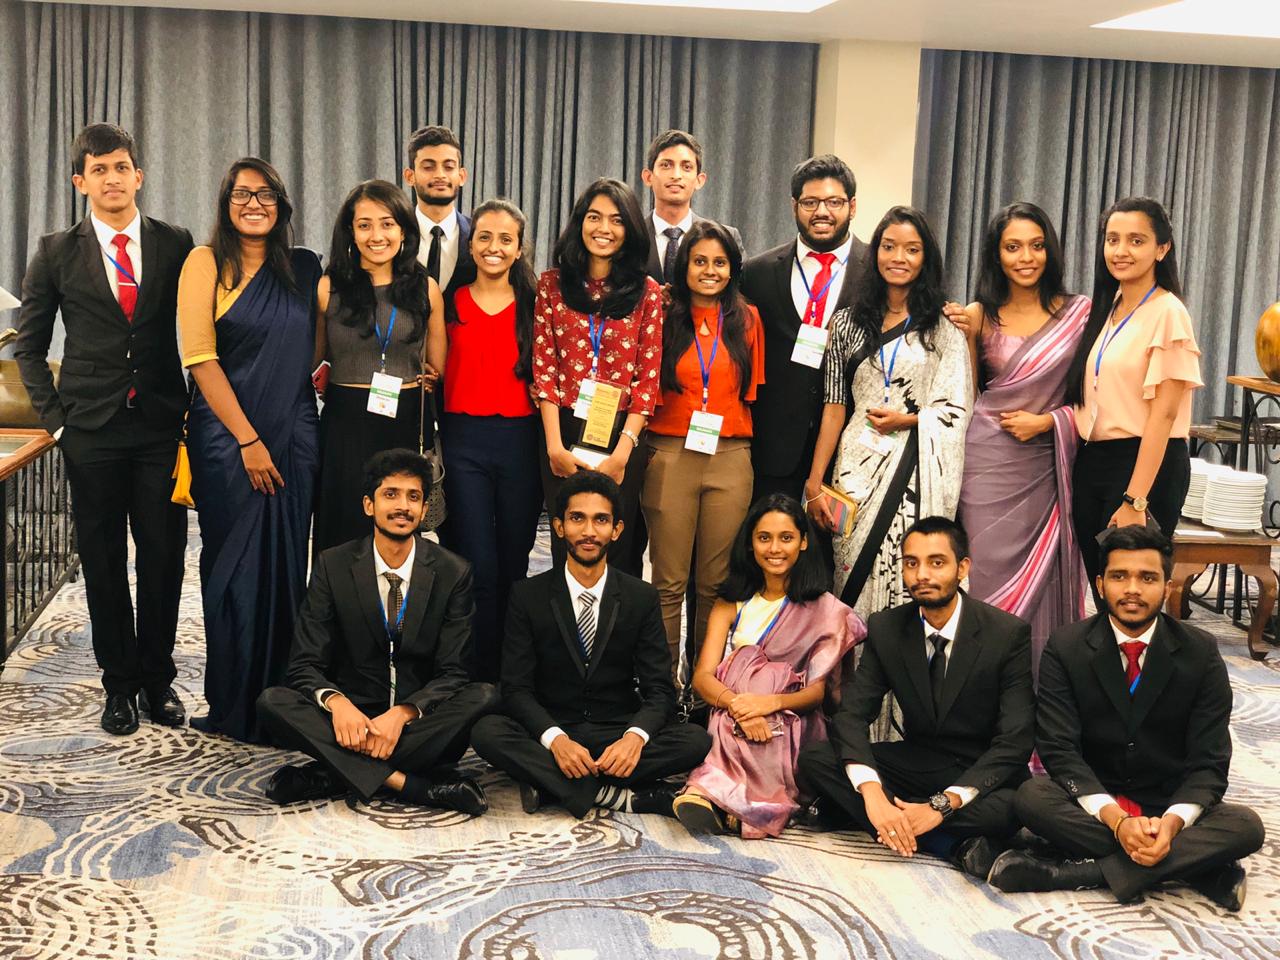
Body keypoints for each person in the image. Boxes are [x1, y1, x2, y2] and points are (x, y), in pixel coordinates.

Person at [15, 123, 191, 735]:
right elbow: (29, 348)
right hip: (90, 430)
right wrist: (58, 424)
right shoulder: (55, 252)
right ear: (80, 181)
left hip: (161, 426)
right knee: (103, 560)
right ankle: (118, 685)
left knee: (164, 557)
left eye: (120, 167)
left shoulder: (176, 243)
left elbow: (201, 324)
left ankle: (157, 681)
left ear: (138, 175)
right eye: (99, 170)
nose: (111, 178)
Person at [991, 526, 1265, 909]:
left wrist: (1171, 824)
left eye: (1147, 578)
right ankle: (1199, 869)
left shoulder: (1200, 652)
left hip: (1166, 801)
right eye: (1119, 576)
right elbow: (1058, 748)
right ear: (1100, 585)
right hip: (1097, 800)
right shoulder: (1066, 646)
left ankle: (1075, 874)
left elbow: (1210, 761)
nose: (1132, 589)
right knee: (1031, 797)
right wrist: (1118, 821)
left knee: (1246, 826)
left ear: (1167, 587)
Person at [258, 449, 497, 815]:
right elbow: (305, 662)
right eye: (391, 494)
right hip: (350, 721)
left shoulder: (453, 571)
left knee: (484, 696)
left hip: (416, 724)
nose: (402, 506)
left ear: (424, 509)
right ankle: (412, 785)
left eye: (413, 497)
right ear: (369, 505)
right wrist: (338, 705)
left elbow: (454, 672)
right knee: (273, 701)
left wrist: (402, 714)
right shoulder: (333, 565)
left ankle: (333, 774)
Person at [796, 517, 1034, 880]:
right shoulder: (887, 627)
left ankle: (879, 818)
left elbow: (1014, 742)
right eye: (911, 563)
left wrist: (942, 806)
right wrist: (873, 794)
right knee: (817, 758)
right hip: (919, 762)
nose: (922, 574)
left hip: (980, 771)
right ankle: (949, 844)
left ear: (962, 568)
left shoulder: (1007, 634)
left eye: (936, 562)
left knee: (1016, 805)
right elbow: (852, 716)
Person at [177, 157, 322, 743]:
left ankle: (284, 702)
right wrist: (249, 440)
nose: (253, 204)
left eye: (265, 194)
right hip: (227, 439)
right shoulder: (204, 262)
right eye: (242, 194)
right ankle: (233, 703)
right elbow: (200, 358)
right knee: (230, 567)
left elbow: (317, 346)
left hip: (296, 431)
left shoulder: (305, 267)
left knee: (289, 565)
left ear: (282, 205)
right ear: (225, 202)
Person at [470, 471, 712, 819]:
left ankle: (552, 785)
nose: (588, 531)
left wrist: (634, 738)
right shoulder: (527, 595)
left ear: (616, 530)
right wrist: (556, 740)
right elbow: (516, 688)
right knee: (487, 732)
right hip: (555, 726)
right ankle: (616, 796)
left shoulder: (641, 597)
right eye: (577, 518)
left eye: (600, 520)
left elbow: (659, 689)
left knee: (695, 740)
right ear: (558, 526)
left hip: (616, 728)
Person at [950, 203, 1090, 675]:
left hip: (1048, 466)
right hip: (986, 466)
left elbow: (1098, 397)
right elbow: (965, 395)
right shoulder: (978, 315)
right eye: (1013, 247)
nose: (1026, 257)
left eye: (1036, 245)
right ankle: (985, 693)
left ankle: (1041, 693)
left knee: (1046, 583)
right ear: (996, 254)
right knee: (986, 578)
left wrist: (1049, 422)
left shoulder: (1079, 314)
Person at [673, 494, 864, 838]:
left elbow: (816, 694)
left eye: (786, 538)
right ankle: (727, 804)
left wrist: (767, 704)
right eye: (764, 538)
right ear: (750, 544)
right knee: (739, 672)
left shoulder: (825, 609)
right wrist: (740, 705)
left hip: (790, 718)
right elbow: (703, 677)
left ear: (803, 542)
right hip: (736, 710)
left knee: (765, 687)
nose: (775, 548)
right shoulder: (731, 603)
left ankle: (730, 801)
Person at [818, 206, 971, 618]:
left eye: (911, 249)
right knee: (850, 571)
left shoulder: (942, 327)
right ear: (875, 253)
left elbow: (957, 409)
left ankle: (903, 657)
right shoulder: (846, 323)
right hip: (855, 470)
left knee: (912, 569)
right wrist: (815, 483)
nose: (898, 258)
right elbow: (833, 406)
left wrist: (910, 420)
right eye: (889, 247)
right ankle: (853, 658)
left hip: (915, 470)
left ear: (926, 258)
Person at [641, 220, 764, 678]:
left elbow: (751, 392)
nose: (710, 271)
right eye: (699, 261)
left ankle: (703, 685)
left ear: (733, 269)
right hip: (670, 454)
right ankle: (662, 687)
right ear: (684, 266)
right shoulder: (662, 314)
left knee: (716, 583)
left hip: (729, 458)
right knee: (667, 582)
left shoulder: (747, 319)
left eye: (720, 262)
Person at [1065, 197, 1202, 588]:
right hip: (1094, 462)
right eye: (1113, 240)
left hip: (1144, 466)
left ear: (1162, 248)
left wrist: (1135, 499)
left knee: (1131, 590)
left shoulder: (1169, 312)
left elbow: (1164, 415)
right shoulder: (1108, 309)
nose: (1121, 251)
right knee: (1102, 584)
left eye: (1136, 241)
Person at [533, 178, 662, 576]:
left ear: (630, 229)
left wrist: (622, 454)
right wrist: (554, 446)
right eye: (594, 217)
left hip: (622, 433)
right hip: (563, 429)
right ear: (580, 223)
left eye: (616, 220)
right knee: (568, 540)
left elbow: (647, 380)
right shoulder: (551, 285)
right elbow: (545, 370)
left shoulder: (647, 292)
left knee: (617, 546)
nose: (604, 228)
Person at [437, 198, 544, 683]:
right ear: (470, 244)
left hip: (520, 441)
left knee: (515, 561)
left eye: (505, 239)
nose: (494, 247)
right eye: (484, 237)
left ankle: (513, 673)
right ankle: (478, 676)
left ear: (520, 249)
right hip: (463, 442)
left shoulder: (536, 305)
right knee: (476, 562)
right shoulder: (449, 301)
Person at [311, 179, 445, 554]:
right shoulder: (327, 287)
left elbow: (438, 366)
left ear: (403, 230)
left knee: (398, 526)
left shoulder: (426, 289)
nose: (376, 236)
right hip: (346, 423)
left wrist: (431, 378)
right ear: (350, 232)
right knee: (342, 527)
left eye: (387, 224)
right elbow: (312, 359)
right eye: (364, 225)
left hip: (406, 420)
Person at [742, 155, 868, 508]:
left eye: (834, 202)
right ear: (794, 205)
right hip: (773, 447)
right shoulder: (756, 273)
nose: (822, 212)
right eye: (810, 202)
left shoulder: (878, 271)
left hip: (851, 447)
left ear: (852, 206)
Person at [640, 129, 745, 284]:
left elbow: (740, 293)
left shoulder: (727, 237)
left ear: (699, 180)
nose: (676, 175)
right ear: (648, 177)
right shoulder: (630, 236)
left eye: (686, 167)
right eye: (666, 165)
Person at [403, 125, 473, 294]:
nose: (440, 175)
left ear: (462, 176)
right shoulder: (393, 235)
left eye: (448, 167)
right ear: (410, 176)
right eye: (428, 167)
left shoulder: (478, 236)